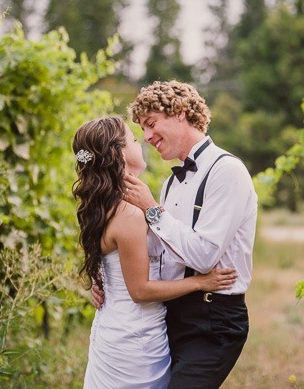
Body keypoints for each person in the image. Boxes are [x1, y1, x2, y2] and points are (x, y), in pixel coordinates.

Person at [94, 80, 258, 389]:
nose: (146, 136)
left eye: (151, 123)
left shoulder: (227, 171)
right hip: (173, 313)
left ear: (179, 112)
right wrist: (104, 273)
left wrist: (152, 209)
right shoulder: (171, 184)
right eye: (142, 129)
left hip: (214, 319)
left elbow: (204, 256)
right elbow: (158, 250)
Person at [72, 115, 238, 389]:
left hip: (118, 327)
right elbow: (140, 291)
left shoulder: (104, 205)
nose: (143, 142)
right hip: (133, 339)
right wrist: (200, 282)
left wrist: (99, 281)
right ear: (119, 154)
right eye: (134, 139)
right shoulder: (127, 214)